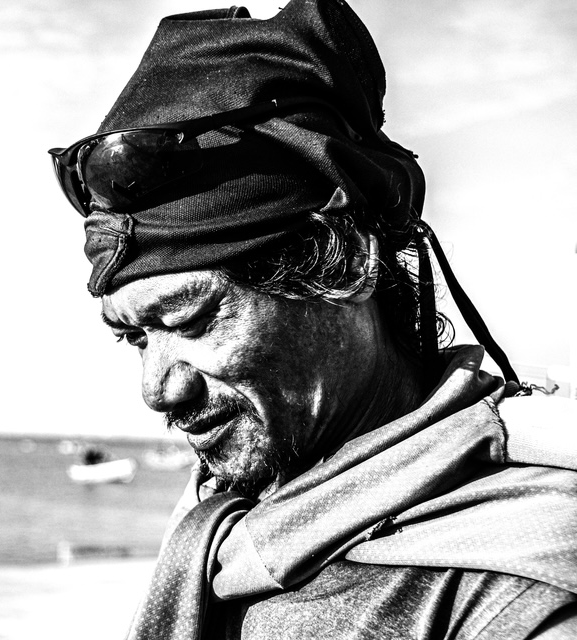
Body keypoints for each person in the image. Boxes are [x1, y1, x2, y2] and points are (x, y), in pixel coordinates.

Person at [48, 0, 577, 637]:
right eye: (135, 337)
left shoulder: (518, 591)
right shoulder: (221, 521)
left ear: (347, 264)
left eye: (191, 321)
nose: (157, 389)